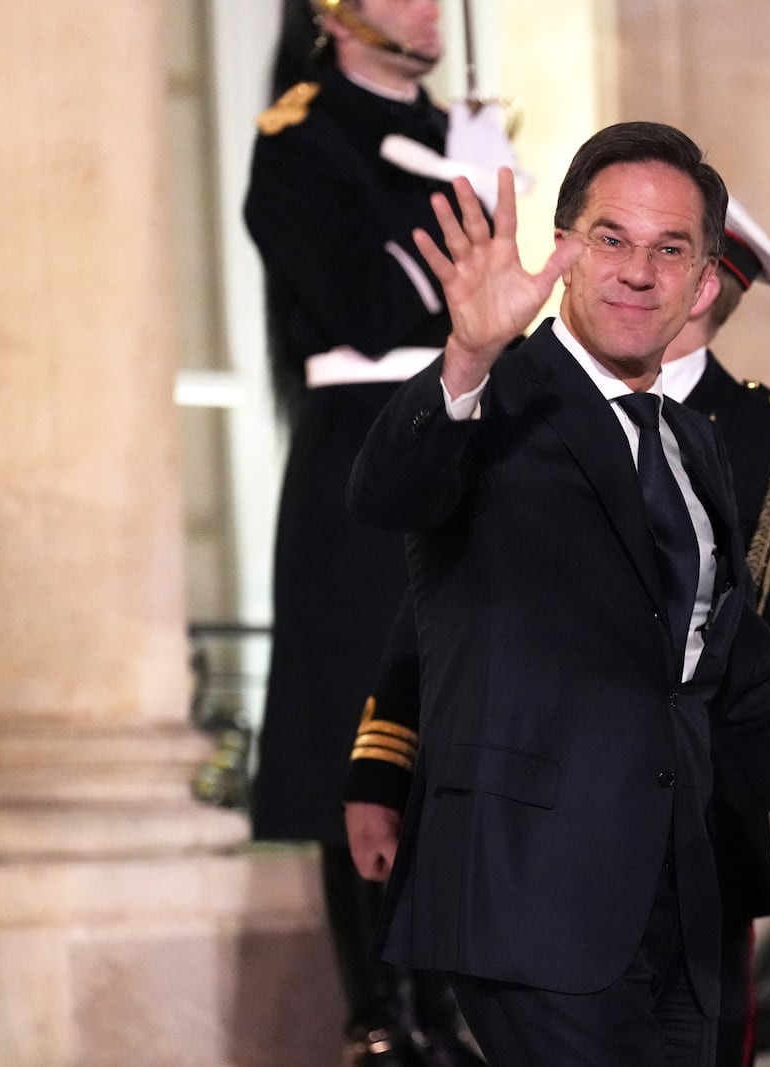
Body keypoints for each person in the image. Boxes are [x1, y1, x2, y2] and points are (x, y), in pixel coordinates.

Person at [344, 120, 770, 1065]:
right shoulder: (494, 402)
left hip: (685, 908)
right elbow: (385, 492)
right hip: (529, 903)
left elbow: (754, 685)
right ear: (564, 253)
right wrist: (462, 359)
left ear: (703, 285)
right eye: (610, 239)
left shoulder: (699, 448)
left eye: (669, 251)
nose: (636, 272)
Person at [241, 1, 509, 1062]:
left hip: (464, 436)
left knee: (463, 724)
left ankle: (449, 996)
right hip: (362, 449)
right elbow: (360, 303)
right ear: (334, 11)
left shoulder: (457, 128)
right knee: (362, 725)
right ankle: (384, 1009)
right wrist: (461, 204)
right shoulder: (300, 135)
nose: (426, 9)